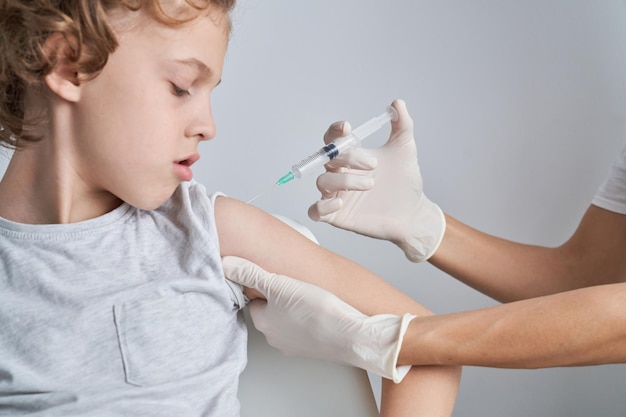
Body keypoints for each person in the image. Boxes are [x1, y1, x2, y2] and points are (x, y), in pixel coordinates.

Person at [0, 2, 462, 416]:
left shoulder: (208, 232)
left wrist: (427, 227)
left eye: (209, 91)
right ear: (68, 66)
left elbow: (430, 347)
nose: (208, 125)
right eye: (182, 87)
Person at [224, 98, 626, 373]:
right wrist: (424, 225)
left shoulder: (227, 222)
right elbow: (585, 282)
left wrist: (392, 341)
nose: (207, 127)